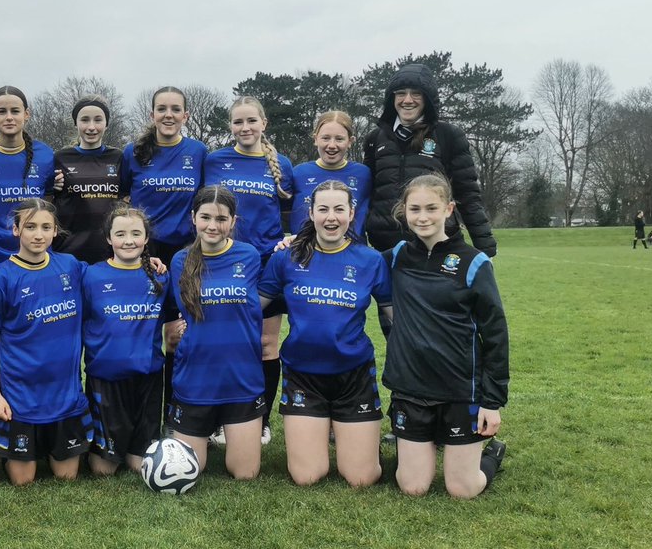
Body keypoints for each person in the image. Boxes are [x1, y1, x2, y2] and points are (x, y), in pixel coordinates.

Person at [382, 174, 508, 499]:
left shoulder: (473, 262)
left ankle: (492, 455)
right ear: (404, 211)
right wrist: (296, 242)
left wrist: (492, 403)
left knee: (462, 489)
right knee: (413, 487)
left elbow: (495, 335)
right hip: (411, 389)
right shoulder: (397, 255)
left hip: (459, 391)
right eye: (415, 209)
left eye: (431, 208)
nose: (422, 217)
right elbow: (346, 259)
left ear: (448, 209)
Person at [258, 180, 389, 487]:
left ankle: (357, 443)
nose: (332, 217)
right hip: (304, 375)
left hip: (353, 375)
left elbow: (395, 318)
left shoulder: (370, 261)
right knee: (306, 477)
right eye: (324, 209)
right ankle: (332, 433)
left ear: (352, 213)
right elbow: (252, 306)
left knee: (361, 477)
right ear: (312, 213)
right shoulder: (286, 257)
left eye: (339, 209)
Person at [0, 198, 92, 485]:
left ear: (55, 231)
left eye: (45, 227)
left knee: (67, 477)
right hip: (20, 396)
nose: (38, 234)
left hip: (64, 395)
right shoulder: (1, 278)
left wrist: (148, 260)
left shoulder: (70, 267)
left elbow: (111, 271)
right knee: (23, 480)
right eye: (30, 227)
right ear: (16, 230)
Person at [203, 96, 294, 446]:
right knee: (223, 340)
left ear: (264, 124)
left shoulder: (281, 164)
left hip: (267, 264)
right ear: (231, 126)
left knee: (265, 343)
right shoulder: (215, 161)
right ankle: (218, 418)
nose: (245, 128)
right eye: (238, 122)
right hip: (223, 262)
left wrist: (289, 239)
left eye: (251, 121)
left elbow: (293, 210)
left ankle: (261, 419)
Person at [166, 186, 263, 480]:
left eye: (221, 219)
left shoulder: (249, 256)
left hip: (241, 377)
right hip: (196, 377)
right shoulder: (179, 261)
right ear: (193, 217)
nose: (212, 225)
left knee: (244, 473)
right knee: (191, 470)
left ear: (233, 221)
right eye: (205, 217)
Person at [363, 64, 496, 257]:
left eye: (415, 93)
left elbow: (467, 194)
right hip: (385, 250)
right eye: (400, 93)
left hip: (435, 249)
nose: (407, 100)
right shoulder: (375, 139)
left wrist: (485, 247)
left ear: (428, 98)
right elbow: (367, 194)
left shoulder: (448, 135)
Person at [82, 205, 170, 475]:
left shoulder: (160, 277)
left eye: (135, 233)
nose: (128, 240)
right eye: (120, 234)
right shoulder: (90, 275)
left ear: (146, 239)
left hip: (148, 378)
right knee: (103, 469)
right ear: (108, 239)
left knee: (138, 464)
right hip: (107, 380)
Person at [0, 86, 55, 276]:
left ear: (27, 114)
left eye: (15, 111)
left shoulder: (45, 154)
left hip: (33, 257)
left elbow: (48, 203)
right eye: (1, 111)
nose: (9, 117)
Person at [119, 86, 206, 264]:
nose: (168, 115)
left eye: (176, 109)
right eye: (161, 109)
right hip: (143, 245)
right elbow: (122, 194)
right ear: (152, 115)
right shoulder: (133, 152)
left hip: (187, 246)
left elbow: (205, 197)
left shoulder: (198, 151)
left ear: (185, 116)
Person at [52, 96, 123, 263]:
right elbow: (48, 199)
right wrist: (52, 186)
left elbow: (127, 197)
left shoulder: (118, 157)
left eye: (98, 120)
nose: (91, 127)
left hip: (109, 251)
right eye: (85, 120)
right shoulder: (61, 157)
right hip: (68, 252)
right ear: (76, 123)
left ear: (106, 124)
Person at [290, 111, 371, 241]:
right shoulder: (298, 173)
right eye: (325, 138)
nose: (332, 145)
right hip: (306, 252)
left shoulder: (364, 174)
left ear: (350, 141)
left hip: (352, 254)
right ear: (316, 139)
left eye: (339, 139)